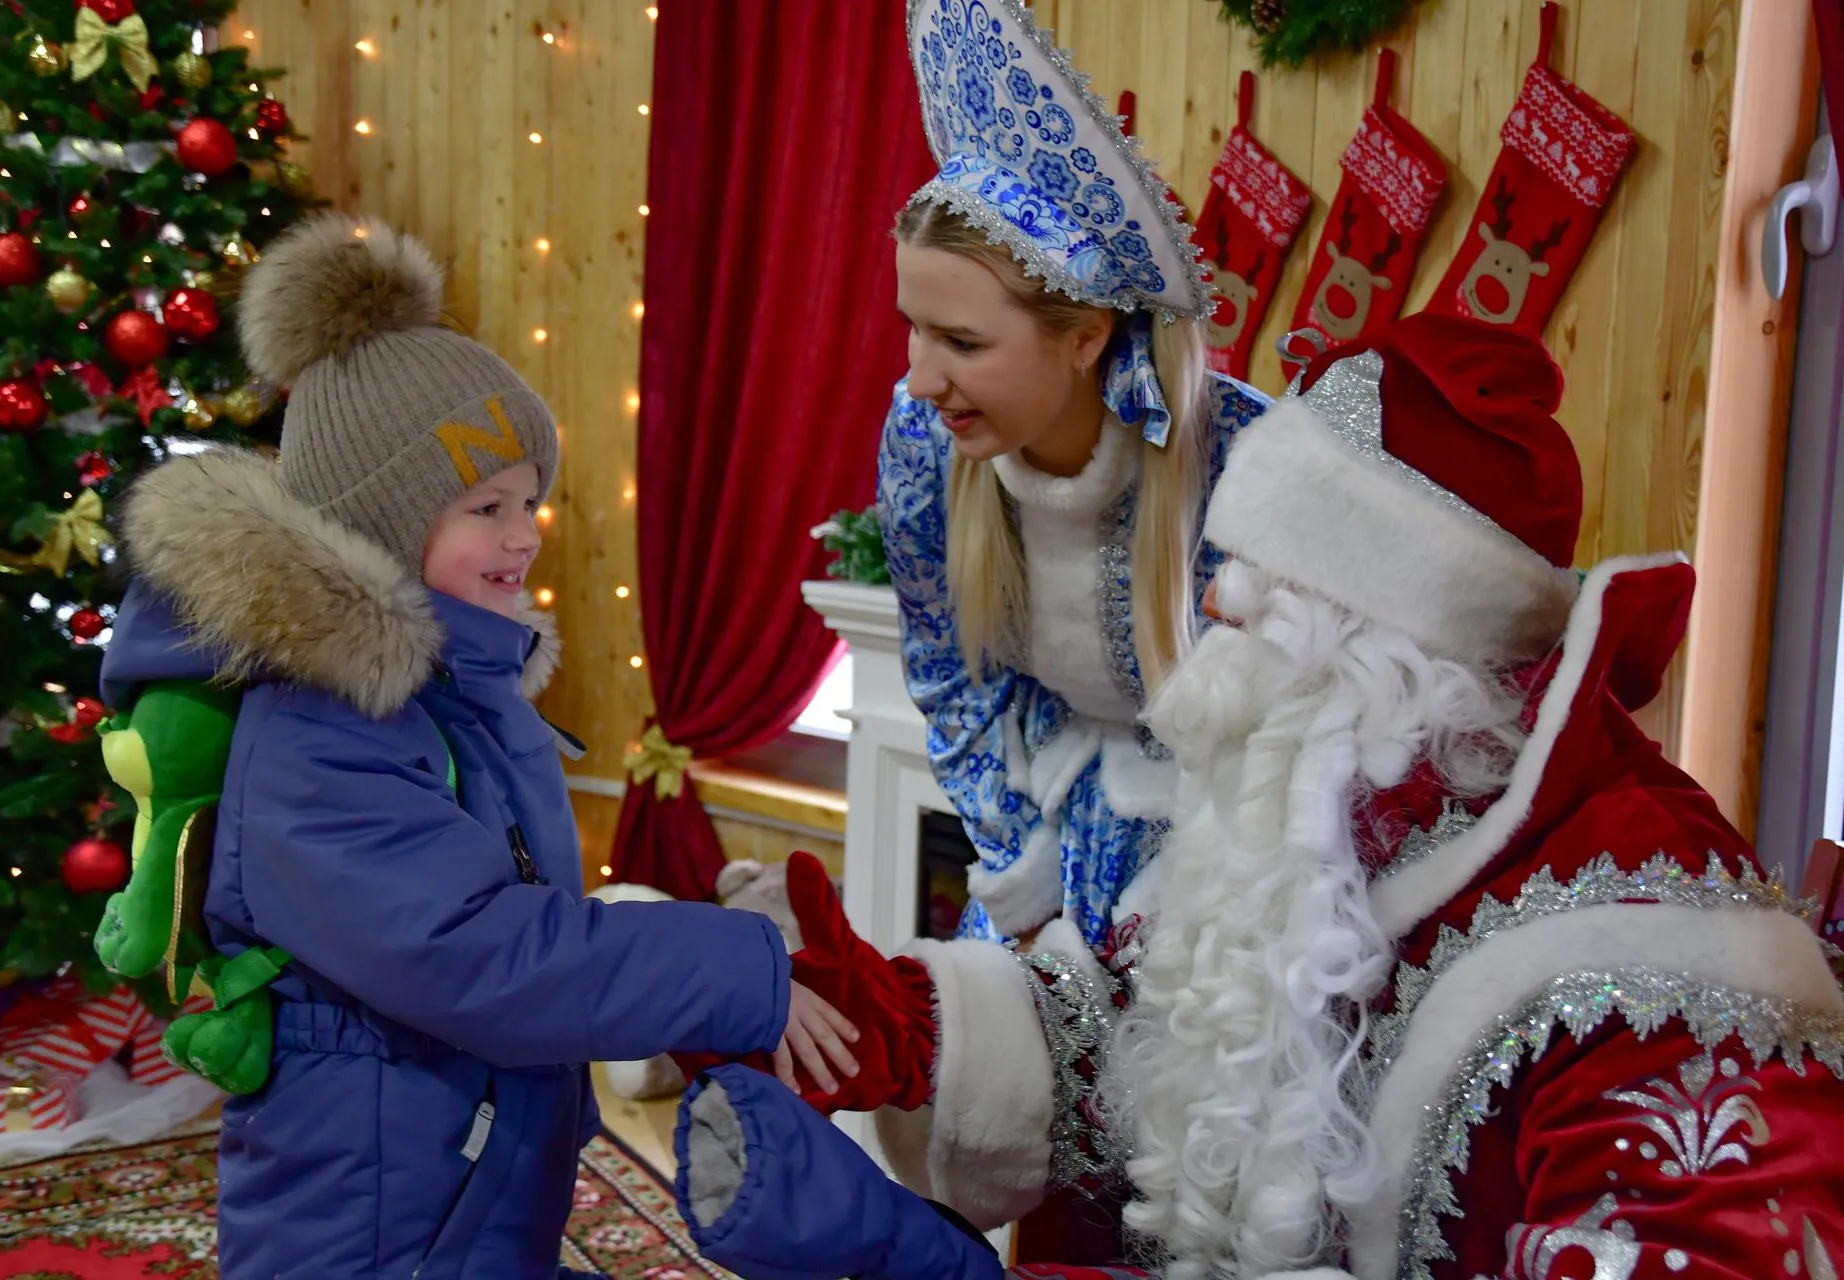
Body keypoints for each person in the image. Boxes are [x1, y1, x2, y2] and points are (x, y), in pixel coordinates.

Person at [670, 312, 1844, 1280]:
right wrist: (890, 1022)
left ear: (1395, 638)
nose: (1217, 607)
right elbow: (1125, 1031)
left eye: (1265, 584)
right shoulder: (1335, 799)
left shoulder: (1654, 948)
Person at [99, 212, 858, 1280]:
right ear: (378, 523)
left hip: (459, 1183)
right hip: (372, 1221)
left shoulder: (458, 690)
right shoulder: (322, 731)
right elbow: (482, 953)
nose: (526, 531)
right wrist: (739, 969)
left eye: (531, 499)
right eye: (486, 505)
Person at [880, 0, 1269, 946]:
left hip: (1223, 855)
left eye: (962, 342)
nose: (921, 378)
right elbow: (946, 667)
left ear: (1087, 338)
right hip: (1043, 822)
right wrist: (1016, 855)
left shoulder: (1239, 457)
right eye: (912, 327)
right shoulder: (923, 437)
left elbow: (1291, 726)